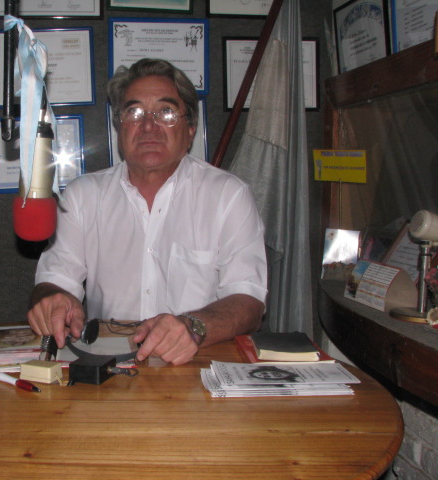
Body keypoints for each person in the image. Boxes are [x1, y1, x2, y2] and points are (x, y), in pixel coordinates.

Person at [27, 58, 267, 366]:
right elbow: (53, 281)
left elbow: (249, 303)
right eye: (134, 112)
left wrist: (193, 326)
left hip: (199, 364)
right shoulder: (81, 196)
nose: (149, 125)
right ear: (119, 127)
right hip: (108, 368)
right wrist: (52, 300)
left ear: (190, 129)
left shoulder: (229, 196)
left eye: (166, 112)